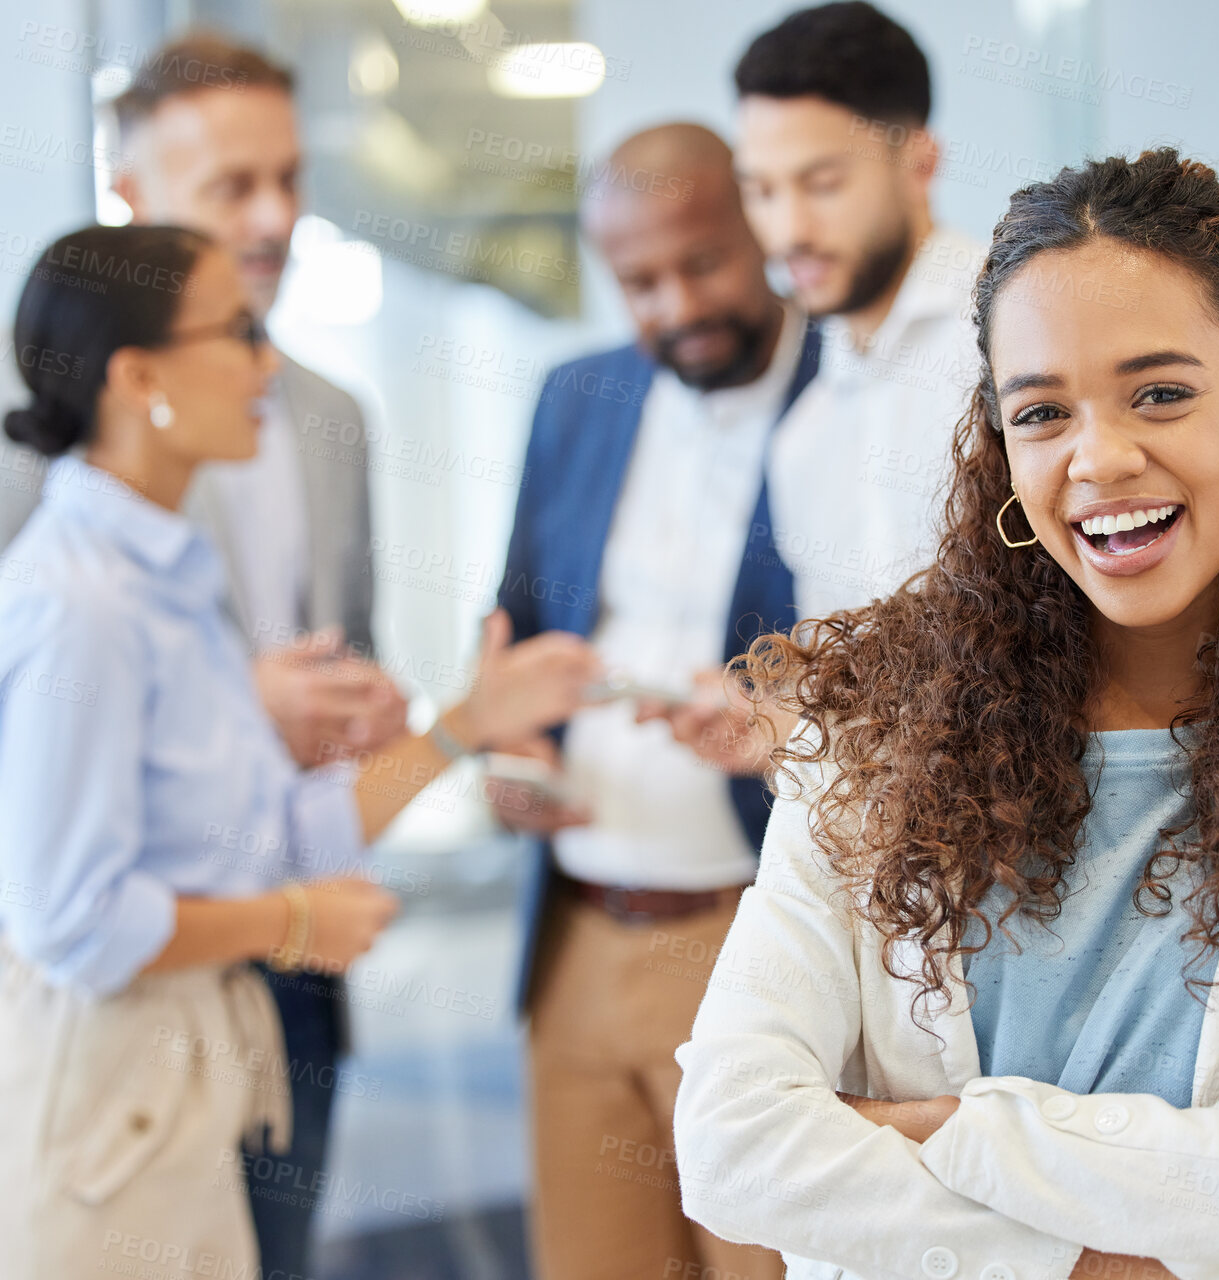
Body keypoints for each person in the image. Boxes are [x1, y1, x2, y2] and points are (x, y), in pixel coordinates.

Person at [672, 150, 1219, 1280]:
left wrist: (936, 1127)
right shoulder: (868, 736)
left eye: (1160, 393)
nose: (1098, 457)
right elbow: (736, 1148)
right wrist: (1126, 1257)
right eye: (1041, 412)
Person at [0, 225, 598, 1279]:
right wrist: (293, 921)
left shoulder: (164, 574)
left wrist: (459, 723)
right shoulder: (80, 602)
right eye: (237, 332)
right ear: (138, 376)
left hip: (177, 1082)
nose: (267, 360)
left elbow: (277, 834)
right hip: (103, 1092)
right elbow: (73, 919)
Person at [492, 123, 817, 1280]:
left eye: (703, 262)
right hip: (575, 930)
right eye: (638, 281)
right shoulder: (573, 396)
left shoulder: (849, 396)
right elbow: (518, 630)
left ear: (762, 236)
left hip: (752, 938)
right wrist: (507, 749)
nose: (676, 302)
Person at [104, 35, 404, 1268]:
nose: (274, 215)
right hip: (130, 959)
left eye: (287, 177)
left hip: (296, 949)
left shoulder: (332, 417)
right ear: (131, 200)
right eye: (232, 186)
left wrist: (372, 710)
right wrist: (243, 706)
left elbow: (348, 650)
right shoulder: (44, 423)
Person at [732, 1, 984, 620]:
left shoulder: (1016, 331)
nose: (788, 231)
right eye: (761, 190)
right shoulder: (803, 433)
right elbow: (837, 675)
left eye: (823, 183)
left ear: (920, 163)